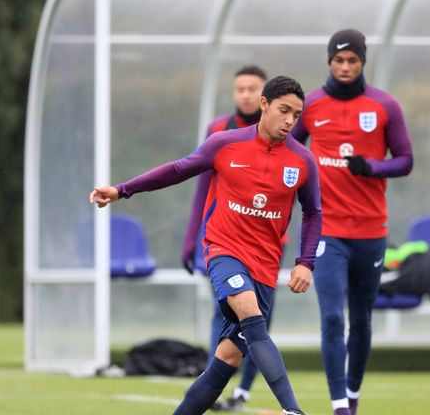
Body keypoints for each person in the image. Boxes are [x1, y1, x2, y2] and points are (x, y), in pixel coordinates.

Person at [91, 76, 322, 415]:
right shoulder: (225, 144)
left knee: (225, 361)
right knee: (248, 310)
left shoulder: (303, 161)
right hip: (224, 252)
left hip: (265, 267)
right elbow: (177, 170)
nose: (290, 121)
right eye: (284, 110)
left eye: (296, 115)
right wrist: (123, 189)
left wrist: (305, 262)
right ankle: (293, 410)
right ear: (264, 105)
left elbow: (314, 213)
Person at [291, 29, 413, 415]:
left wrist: (373, 168)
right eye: (338, 60)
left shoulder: (384, 106)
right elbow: (286, 149)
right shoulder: (309, 105)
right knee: (331, 317)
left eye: (352, 61)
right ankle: (340, 405)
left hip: (370, 232)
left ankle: (354, 394)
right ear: (329, 61)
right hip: (326, 231)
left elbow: (406, 159)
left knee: (360, 321)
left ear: (363, 63)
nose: (345, 67)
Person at [180, 65, 281, 412]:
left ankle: (244, 391)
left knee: (258, 320)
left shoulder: (282, 137)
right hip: (221, 243)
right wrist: (190, 239)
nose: (246, 95)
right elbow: (201, 186)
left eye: (253, 88)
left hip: (264, 248)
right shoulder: (219, 131)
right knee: (225, 315)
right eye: (240, 89)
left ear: (265, 96)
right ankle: (215, 387)